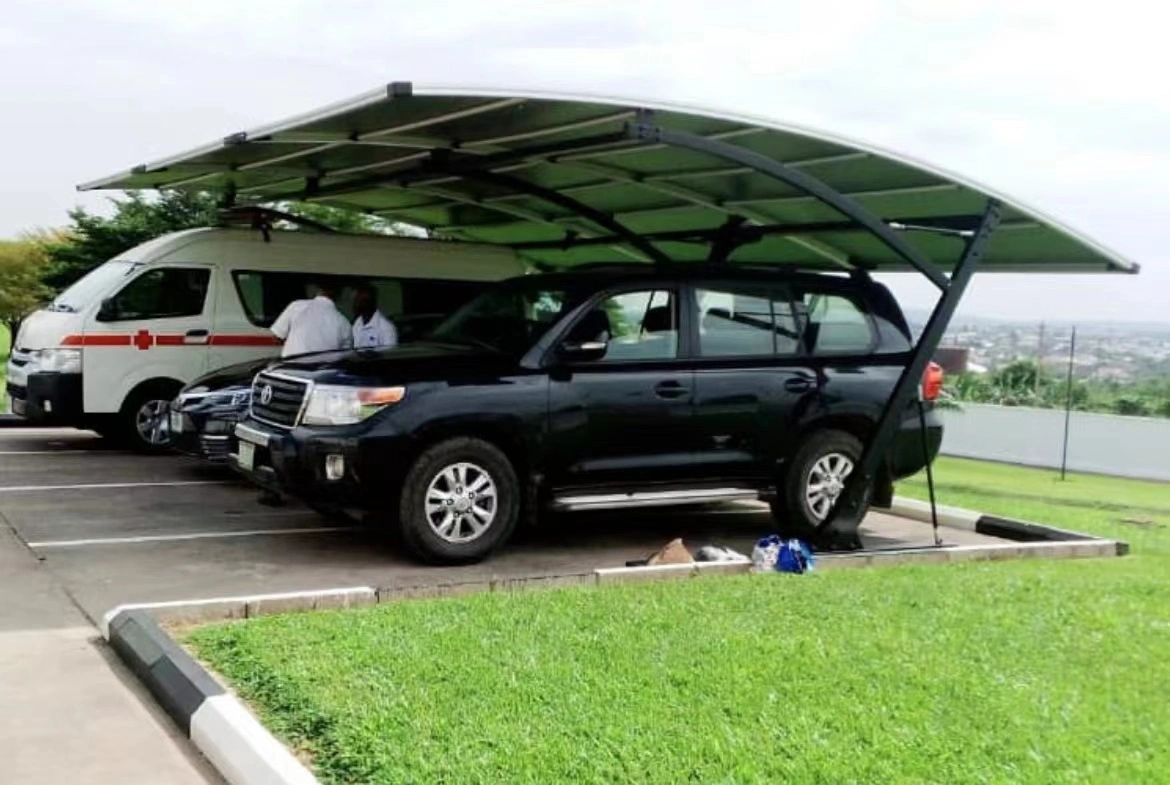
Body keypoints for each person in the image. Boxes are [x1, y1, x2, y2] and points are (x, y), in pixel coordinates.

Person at [269, 278, 352, 358]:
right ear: (339, 296)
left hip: (292, 368)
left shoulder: (297, 306)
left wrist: (295, 342)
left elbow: (276, 337)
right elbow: (345, 355)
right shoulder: (344, 322)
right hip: (324, 371)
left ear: (319, 290)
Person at [351, 282, 398, 349]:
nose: (355, 305)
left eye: (359, 301)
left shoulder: (386, 328)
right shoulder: (356, 324)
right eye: (355, 301)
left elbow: (390, 356)